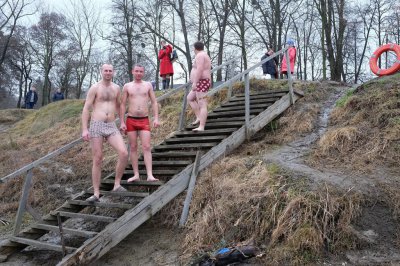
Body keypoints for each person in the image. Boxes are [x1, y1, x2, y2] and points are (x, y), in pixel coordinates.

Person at [81, 64, 129, 202]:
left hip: (111, 125)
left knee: (124, 153)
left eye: (110, 71)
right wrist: (85, 129)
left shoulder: (116, 88)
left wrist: (123, 122)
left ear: (113, 72)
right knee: (98, 158)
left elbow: (119, 105)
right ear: (101, 72)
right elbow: (86, 109)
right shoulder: (95, 88)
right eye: (105, 70)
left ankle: (117, 184)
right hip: (97, 124)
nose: (108, 73)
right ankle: (96, 193)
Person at [120, 64, 160, 182]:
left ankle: (149, 175)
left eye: (141, 71)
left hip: (144, 119)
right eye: (136, 71)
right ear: (133, 71)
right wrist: (122, 121)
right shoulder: (127, 86)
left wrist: (156, 118)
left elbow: (153, 102)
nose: (138, 73)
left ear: (143, 72)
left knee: (147, 146)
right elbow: (122, 104)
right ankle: (136, 174)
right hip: (131, 119)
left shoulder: (147, 85)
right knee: (133, 147)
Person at [187, 41, 212, 132]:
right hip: (200, 82)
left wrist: (195, 82)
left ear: (195, 48)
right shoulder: (202, 55)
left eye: (193, 47)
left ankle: (201, 126)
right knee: (190, 98)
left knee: (202, 104)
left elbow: (200, 68)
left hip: (201, 81)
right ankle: (198, 117)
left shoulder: (200, 55)